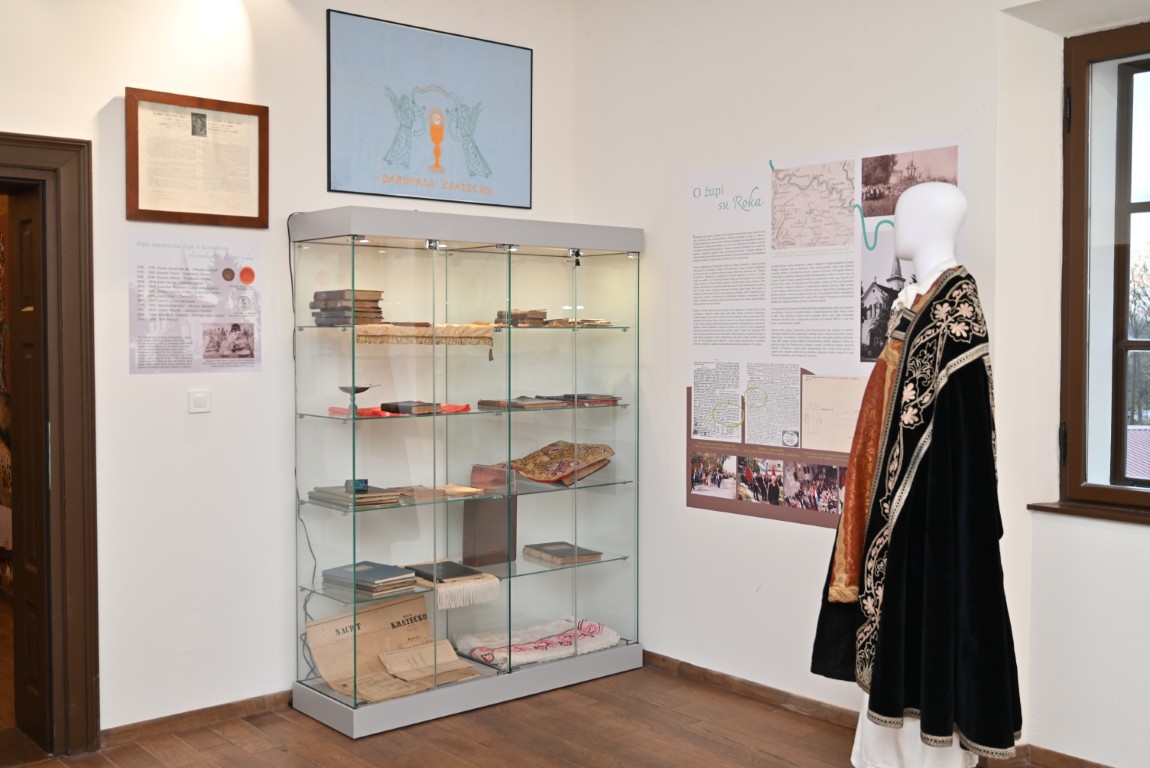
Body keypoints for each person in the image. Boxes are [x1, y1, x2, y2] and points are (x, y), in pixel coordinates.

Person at [810, 183, 1021, 767]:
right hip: (897, 504)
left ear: (931, 220)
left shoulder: (956, 308)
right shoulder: (918, 299)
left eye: (903, 212)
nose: (895, 222)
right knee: (893, 625)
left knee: (927, 621)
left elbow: (963, 439)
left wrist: (938, 518)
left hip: (930, 510)